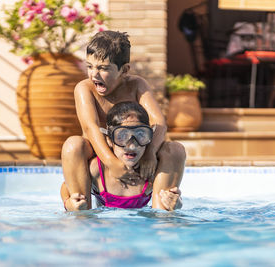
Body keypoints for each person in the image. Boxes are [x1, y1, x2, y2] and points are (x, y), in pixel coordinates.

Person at [61, 30, 186, 211]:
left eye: (103, 68)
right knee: (74, 144)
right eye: (90, 66)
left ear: (124, 70)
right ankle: (79, 204)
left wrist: (150, 154)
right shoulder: (85, 89)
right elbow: (91, 128)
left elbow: (159, 123)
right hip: (101, 156)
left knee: (174, 149)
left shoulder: (136, 85)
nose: (94, 74)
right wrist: (112, 163)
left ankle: (164, 209)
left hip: (134, 152)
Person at [61, 101, 182, 209]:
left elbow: (163, 219)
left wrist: (174, 205)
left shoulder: (155, 172)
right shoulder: (96, 170)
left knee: (175, 149)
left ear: (149, 137)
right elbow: (66, 185)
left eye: (140, 135)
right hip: (104, 227)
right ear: (109, 139)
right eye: (122, 136)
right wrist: (68, 202)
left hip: (143, 228)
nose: (132, 146)